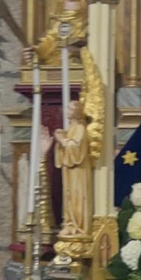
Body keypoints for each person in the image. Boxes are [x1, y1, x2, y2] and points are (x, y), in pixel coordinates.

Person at [22, 0, 88, 65]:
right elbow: (50, 41)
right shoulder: (55, 17)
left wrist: (77, 51)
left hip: (75, 65)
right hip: (53, 66)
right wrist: (36, 52)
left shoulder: (86, 17)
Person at [53, 100, 93, 236]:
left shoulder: (80, 128)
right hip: (70, 170)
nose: (67, 111)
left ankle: (78, 225)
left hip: (79, 170)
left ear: (76, 113)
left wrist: (62, 140)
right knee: (69, 195)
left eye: (70, 109)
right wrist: (62, 139)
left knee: (77, 196)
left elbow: (75, 148)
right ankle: (70, 223)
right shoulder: (72, 128)